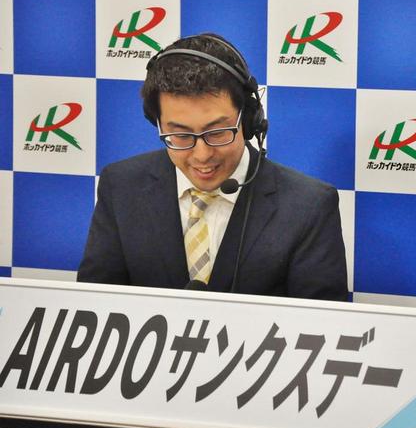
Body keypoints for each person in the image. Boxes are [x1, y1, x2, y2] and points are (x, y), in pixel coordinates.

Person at [78, 33, 348, 301]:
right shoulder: (121, 187)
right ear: (157, 123)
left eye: (218, 132)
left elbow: (322, 322)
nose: (202, 155)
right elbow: (93, 308)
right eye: (181, 135)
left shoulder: (309, 206)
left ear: (248, 119)